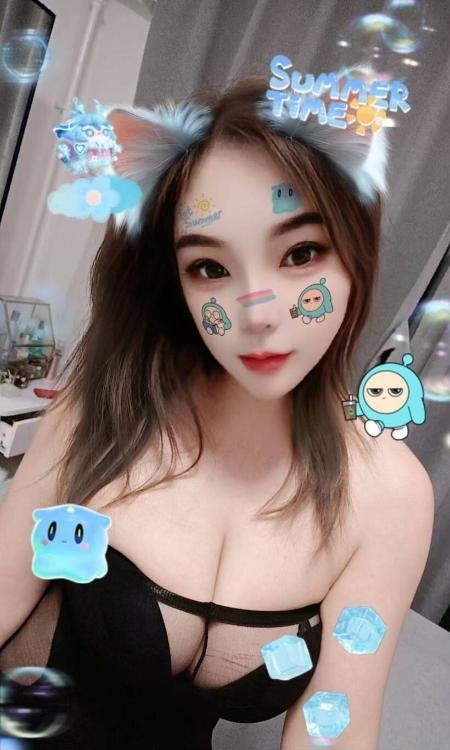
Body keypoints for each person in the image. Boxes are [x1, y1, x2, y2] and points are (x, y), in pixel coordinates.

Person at [0, 77, 434, 750]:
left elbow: (338, 725)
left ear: (355, 252)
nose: (258, 314)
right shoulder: (106, 410)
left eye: (300, 253)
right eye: (209, 268)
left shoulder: (389, 495)